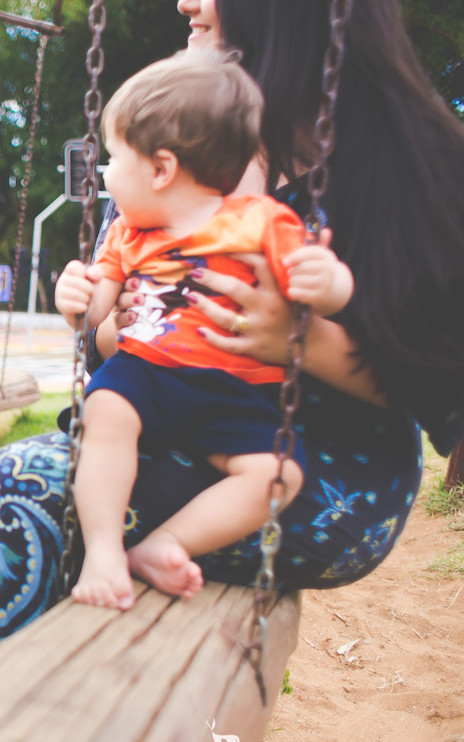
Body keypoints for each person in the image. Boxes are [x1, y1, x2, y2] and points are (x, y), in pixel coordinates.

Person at [0, 0, 464, 720]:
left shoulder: (401, 164)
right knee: (17, 487)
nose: (185, 3)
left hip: (311, 469)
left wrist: (299, 340)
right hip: (167, 414)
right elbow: (107, 334)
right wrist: (113, 318)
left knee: (15, 488)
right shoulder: (170, 133)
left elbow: (442, 385)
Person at [55, 51, 353, 610]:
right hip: (144, 373)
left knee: (278, 474)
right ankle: (103, 552)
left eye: (114, 158)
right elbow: (94, 312)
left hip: (234, 389)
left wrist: (328, 280)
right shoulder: (127, 234)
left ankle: (168, 544)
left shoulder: (261, 220)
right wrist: (73, 298)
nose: (106, 174)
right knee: (105, 414)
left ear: (161, 169)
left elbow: (316, 286)